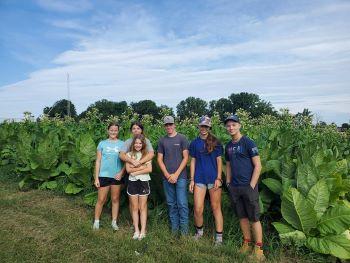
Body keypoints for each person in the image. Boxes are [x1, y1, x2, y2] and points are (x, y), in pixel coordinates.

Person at [224, 114, 265, 261]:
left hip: (248, 187)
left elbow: (258, 166)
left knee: (254, 218)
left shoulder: (248, 142)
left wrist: (252, 185)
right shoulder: (228, 146)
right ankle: (247, 243)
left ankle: (259, 247)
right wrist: (228, 182)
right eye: (228, 125)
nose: (231, 127)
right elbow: (228, 165)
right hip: (235, 187)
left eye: (233, 124)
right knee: (242, 217)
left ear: (239, 125)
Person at [189, 116, 224, 245]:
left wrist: (219, 178)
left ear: (209, 128)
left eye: (206, 126)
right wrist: (192, 179)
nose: (203, 128)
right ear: (199, 127)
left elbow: (219, 160)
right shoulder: (194, 143)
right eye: (201, 126)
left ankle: (219, 238)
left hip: (213, 179)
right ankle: (199, 232)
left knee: (216, 207)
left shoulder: (216, 141)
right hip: (199, 179)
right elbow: (193, 161)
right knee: (198, 208)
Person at [157, 116, 189, 235]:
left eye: (170, 124)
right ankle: (174, 232)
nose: (169, 126)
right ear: (164, 126)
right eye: (166, 125)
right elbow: (159, 159)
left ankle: (184, 233)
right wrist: (167, 175)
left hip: (180, 177)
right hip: (167, 178)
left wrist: (175, 175)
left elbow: (186, 157)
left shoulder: (182, 138)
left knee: (182, 204)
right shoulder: (162, 140)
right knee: (171, 204)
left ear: (175, 125)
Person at [93, 122, 125, 231]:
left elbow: (126, 161)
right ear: (108, 131)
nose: (113, 132)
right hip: (103, 175)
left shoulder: (122, 144)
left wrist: (121, 173)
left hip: (116, 176)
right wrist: (96, 177)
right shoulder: (102, 143)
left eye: (115, 130)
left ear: (118, 131)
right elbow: (98, 161)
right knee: (101, 199)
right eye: (111, 130)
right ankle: (96, 221)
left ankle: (114, 222)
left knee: (115, 199)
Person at [126, 134, 152, 240]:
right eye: (136, 143)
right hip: (132, 183)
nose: (138, 145)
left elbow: (149, 169)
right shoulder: (128, 154)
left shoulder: (146, 155)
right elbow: (128, 170)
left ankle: (143, 231)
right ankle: (136, 230)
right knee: (135, 208)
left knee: (142, 208)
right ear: (133, 144)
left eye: (140, 143)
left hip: (144, 182)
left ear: (143, 144)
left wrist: (136, 170)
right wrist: (142, 166)